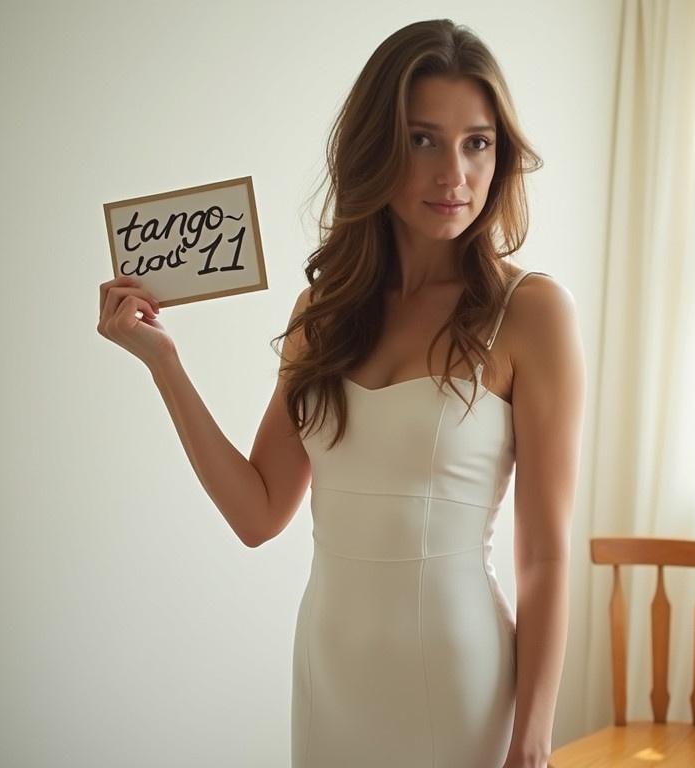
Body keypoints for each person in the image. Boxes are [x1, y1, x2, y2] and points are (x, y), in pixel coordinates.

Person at [97, 18, 585, 768]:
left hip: (458, 678)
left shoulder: (532, 313)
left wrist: (533, 736)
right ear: (377, 147)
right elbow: (258, 513)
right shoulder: (323, 313)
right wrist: (165, 364)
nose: (453, 172)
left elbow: (546, 555)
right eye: (423, 139)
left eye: (477, 142)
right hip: (330, 670)